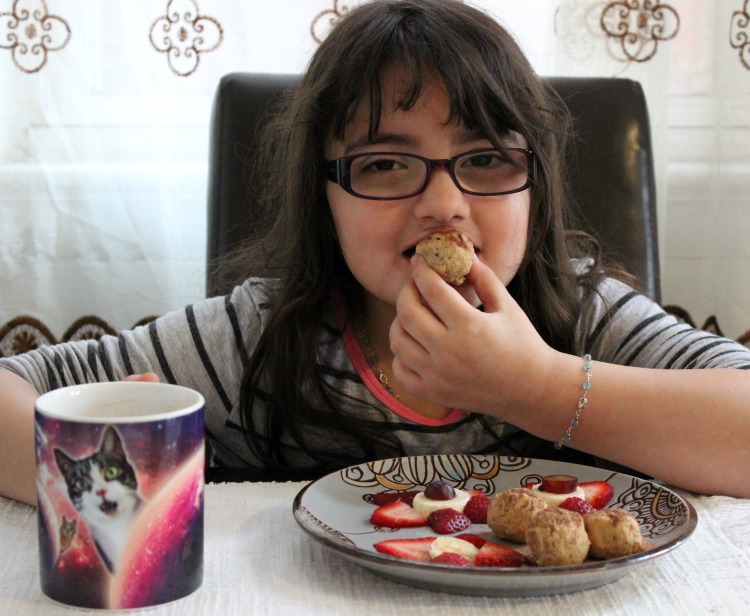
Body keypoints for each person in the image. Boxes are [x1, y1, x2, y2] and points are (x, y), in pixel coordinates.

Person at [1, 0, 749, 506]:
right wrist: (133, 468)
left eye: (486, 160)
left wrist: (536, 386)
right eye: (386, 165)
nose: (444, 204)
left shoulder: (582, 316)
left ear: (537, 186)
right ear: (324, 196)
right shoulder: (254, 338)